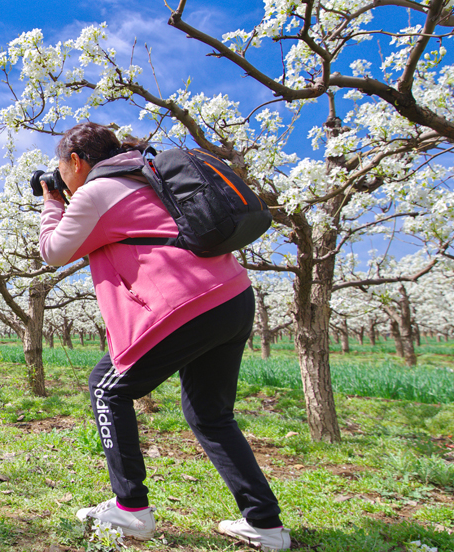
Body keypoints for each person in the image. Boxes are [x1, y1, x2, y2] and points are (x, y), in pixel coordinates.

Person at [39, 122, 290, 551]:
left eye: (62, 171)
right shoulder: (147, 176)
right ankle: (265, 524)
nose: (61, 179)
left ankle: (132, 510)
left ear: (76, 163)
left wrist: (50, 202)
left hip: (185, 306)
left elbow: (53, 251)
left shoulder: (97, 193)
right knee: (210, 414)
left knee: (106, 387)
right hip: (231, 296)